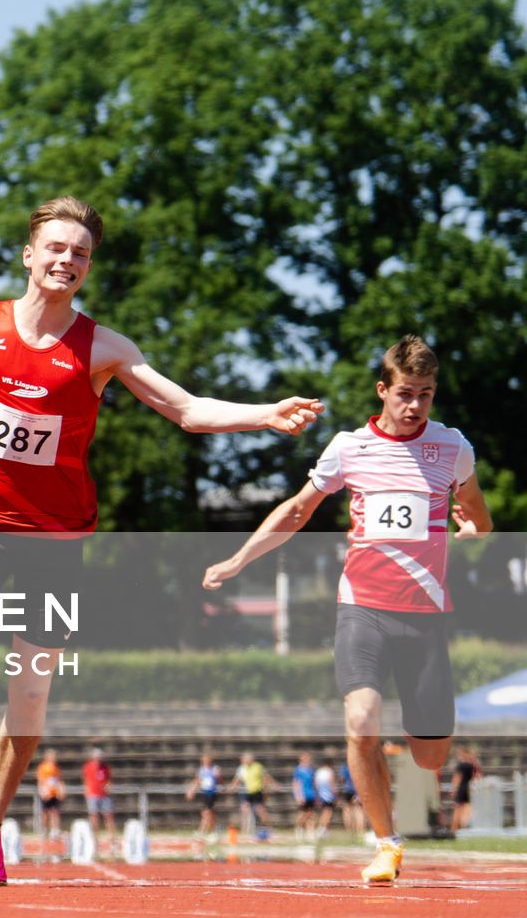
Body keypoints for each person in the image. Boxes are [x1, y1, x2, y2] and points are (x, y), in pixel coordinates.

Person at [0, 196, 323, 886]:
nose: (67, 261)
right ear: (30, 255)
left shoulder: (103, 348)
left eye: (80, 253)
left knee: (29, 700)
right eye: (55, 248)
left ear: (88, 267)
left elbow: (185, 409)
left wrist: (266, 413)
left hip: (55, 544)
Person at [204, 334, 491, 884]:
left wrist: (474, 535)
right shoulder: (348, 448)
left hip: (426, 616)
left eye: (426, 395)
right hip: (363, 609)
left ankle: (403, 771)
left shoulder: (453, 448)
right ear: (382, 390)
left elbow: (478, 516)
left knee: (431, 758)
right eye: (405, 393)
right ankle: (387, 843)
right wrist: (238, 560)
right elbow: (295, 512)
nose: (414, 406)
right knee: (360, 721)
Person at [81, 746, 115, 853]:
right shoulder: (88, 767)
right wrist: (88, 791)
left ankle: (112, 839)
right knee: (94, 817)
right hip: (93, 795)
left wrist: (108, 786)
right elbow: (86, 780)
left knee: (108, 815)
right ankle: (95, 839)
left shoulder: (105, 767)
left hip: (104, 795)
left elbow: (109, 779)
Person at [185, 752, 222, 848]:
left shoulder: (215, 769)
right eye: (204, 760)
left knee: (206, 813)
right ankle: (214, 832)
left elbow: (220, 780)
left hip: (212, 793)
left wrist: (218, 777)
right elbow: (197, 780)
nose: (205, 762)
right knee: (209, 813)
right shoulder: (201, 770)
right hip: (204, 793)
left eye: (207, 760)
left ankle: (201, 832)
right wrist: (191, 790)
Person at [232, 752, 272, 839]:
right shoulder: (241, 768)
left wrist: (265, 788)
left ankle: (268, 828)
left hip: (257, 791)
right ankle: (244, 831)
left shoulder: (258, 767)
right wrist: (233, 787)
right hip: (246, 792)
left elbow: (265, 777)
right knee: (244, 810)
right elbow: (237, 780)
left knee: (260, 810)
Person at [35, 748, 64, 855]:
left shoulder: (56, 768)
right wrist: (43, 791)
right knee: (45, 813)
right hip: (46, 793)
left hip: (54, 793)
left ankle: (54, 831)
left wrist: (60, 790)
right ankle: (43, 830)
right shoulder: (43, 767)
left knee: (55, 812)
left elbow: (58, 780)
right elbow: (41, 780)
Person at [451, 746, 481, 832]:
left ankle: (455, 827)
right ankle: (464, 824)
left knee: (458, 808)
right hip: (470, 788)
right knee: (467, 806)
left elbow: (457, 778)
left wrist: (454, 789)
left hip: (461, 788)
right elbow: (478, 777)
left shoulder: (461, 765)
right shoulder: (473, 765)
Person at [291, 751, 318, 840]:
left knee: (311, 814)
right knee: (303, 814)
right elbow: (296, 783)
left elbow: (313, 783)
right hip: (303, 795)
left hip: (311, 794)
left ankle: (311, 834)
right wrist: (298, 796)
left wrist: (316, 794)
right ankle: (299, 828)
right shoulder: (298, 770)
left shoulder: (310, 770)